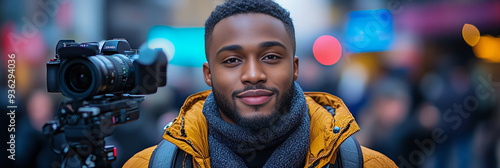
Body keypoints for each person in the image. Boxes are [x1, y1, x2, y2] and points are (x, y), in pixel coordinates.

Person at [124, 0, 397, 167]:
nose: (253, 74)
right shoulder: (148, 165)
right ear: (208, 74)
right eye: (232, 60)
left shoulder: (369, 164)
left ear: (295, 67)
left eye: (270, 57)